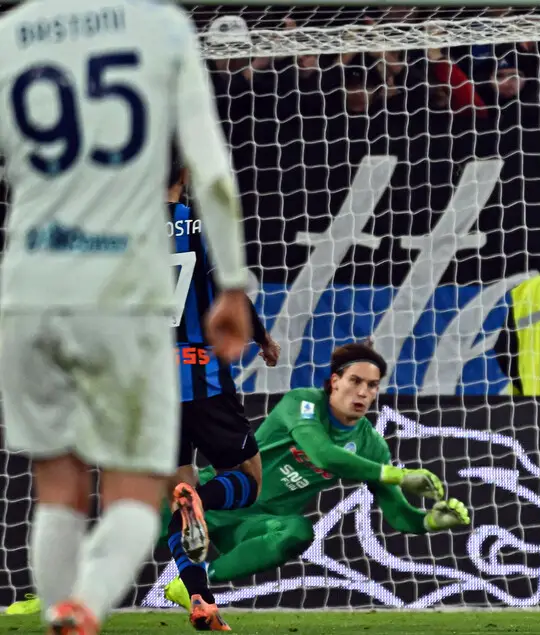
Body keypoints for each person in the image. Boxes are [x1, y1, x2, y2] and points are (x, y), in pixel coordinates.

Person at [0, 2, 253, 633]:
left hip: (28, 287)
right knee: (136, 490)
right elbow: (215, 174)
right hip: (121, 296)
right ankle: (86, 606)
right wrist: (233, 283)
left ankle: (62, 613)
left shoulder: (11, 33)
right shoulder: (160, 28)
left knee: (58, 487)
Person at [161, 343, 471, 630]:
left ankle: (194, 584)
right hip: (212, 498)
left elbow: (399, 515)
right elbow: (323, 454)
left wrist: (429, 521)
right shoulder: (303, 402)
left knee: (298, 531)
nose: (363, 392)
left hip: (255, 525)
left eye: (372, 385)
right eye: (355, 381)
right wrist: (399, 475)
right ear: (335, 381)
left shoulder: (371, 446)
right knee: (145, 520)